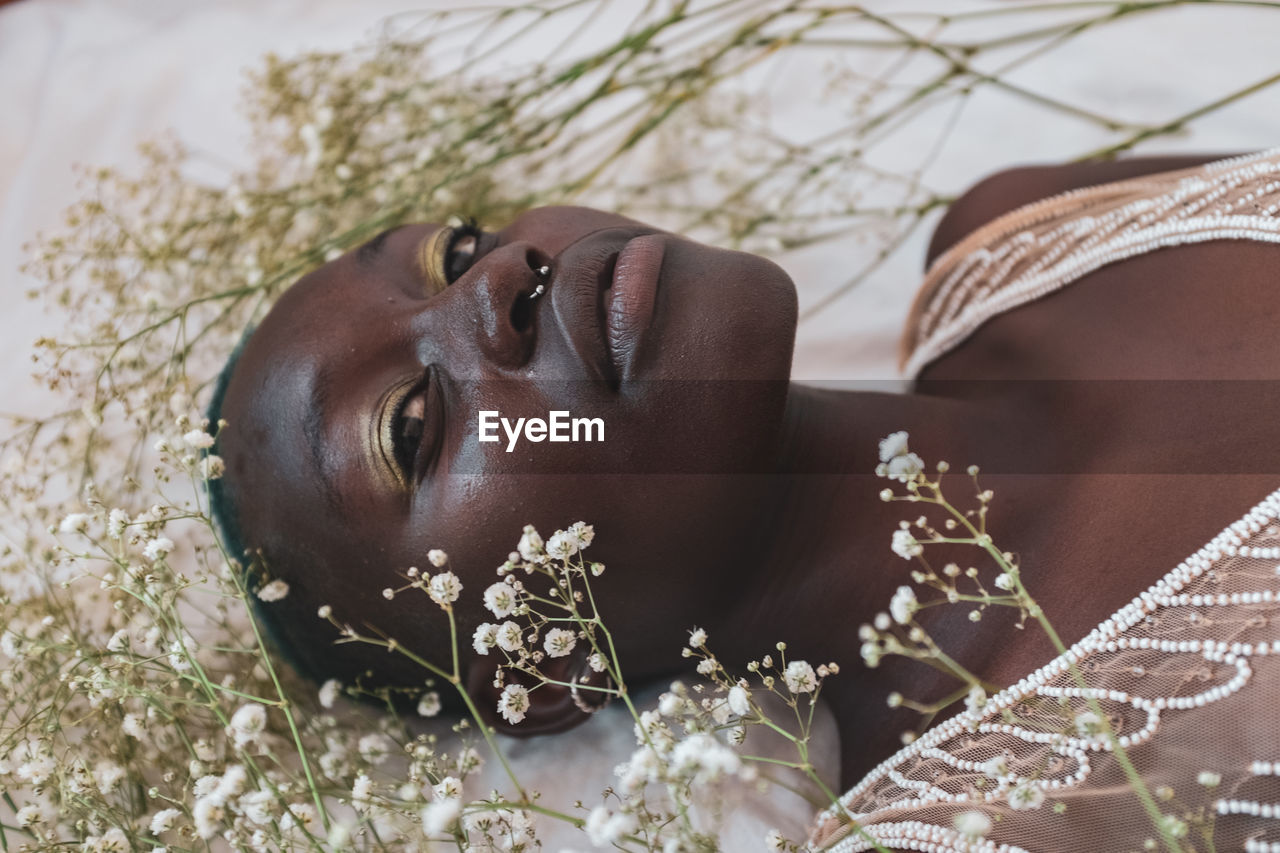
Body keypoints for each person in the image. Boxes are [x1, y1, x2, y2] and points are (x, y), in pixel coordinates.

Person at [211, 150, 1280, 850]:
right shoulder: (991, 820)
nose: (495, 281)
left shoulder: (1017, 237)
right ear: (542, 666)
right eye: (409, 427)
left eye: (451, 250)